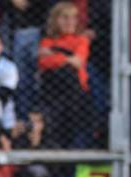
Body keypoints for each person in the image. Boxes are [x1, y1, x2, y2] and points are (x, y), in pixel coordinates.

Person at [38, 1, 94, 148]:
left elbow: (78, 61)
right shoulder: (47, 41)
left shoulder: (81, 40)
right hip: (53, 94)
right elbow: (44, 63)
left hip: (76, 94)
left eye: (73, 18)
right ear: (55, 20)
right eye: (65, 17)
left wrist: (55, 53)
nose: (70, 22)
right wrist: (67, 56)